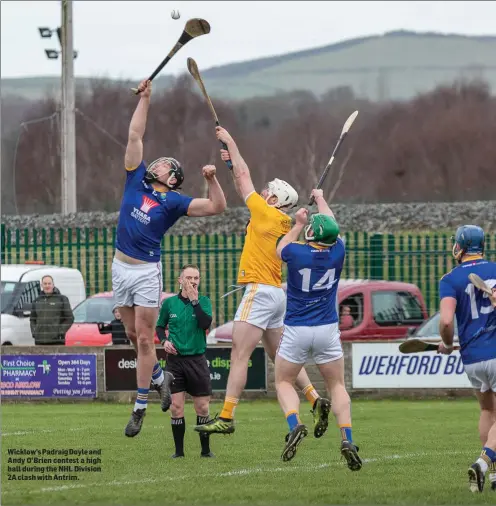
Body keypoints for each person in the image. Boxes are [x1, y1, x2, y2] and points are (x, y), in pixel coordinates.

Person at [113, 79, 227, 438]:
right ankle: (160, 378)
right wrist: (146, 98)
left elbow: (217, 206)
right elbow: (134, 135)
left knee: (146, 340)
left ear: (173, 178)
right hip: (119, 268)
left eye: (164, 166)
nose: (157, 165)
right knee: (131, 334)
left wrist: (211, 179)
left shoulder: (175, 202)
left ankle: (140, 407)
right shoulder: (135, 181)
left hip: (147, 271)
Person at [196, 126, 326, 438]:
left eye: (269, 191)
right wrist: (230, 161)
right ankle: (315, 399)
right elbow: (238, 173)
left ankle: (227, 415)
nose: (263, 192)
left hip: (259, 291)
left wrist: (231, 141)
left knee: (238, 355)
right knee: (279, 357)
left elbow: (243, 176)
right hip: (278, 296)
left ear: (276, 198)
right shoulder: (286, 223)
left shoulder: (266, 214)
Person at [273, 189, 362, 469]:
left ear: (311, 234)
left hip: (297, 328)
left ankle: (295, 423)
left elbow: (279, 249)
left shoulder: (297, 253)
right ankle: (346, 437)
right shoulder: (339, 251)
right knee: (336, 385)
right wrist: (320, 197)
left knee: (284, 382)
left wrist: (298, 223)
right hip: (327, 328)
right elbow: (331, 222)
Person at [438, 225, 496, 493]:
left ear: (460, 247)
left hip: (471, 358)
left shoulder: (449, 279)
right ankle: (484, 463)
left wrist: (448, 343)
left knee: (487, 410)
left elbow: (446, 321)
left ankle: (494, 475)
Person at [156, 265, 214, 459]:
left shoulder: (204, 301)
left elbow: (205, 324)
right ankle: (178, 453)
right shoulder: (169, 303)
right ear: (180, 280)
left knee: (203, 407)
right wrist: (164, 342)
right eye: (189, 277)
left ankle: (205, 451)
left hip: (197, 359)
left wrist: (195, 301)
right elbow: (159, 327)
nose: (193, 281)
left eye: (196, 277)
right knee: (176, 407)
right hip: (175, 362)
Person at [30, 275, 74, 345]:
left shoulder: (62, 299)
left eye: (49, 283)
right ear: (42, 285)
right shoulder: (37, 300)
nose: (47, 286)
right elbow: (32, 319)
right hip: (39, 341)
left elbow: (70, 318)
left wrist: (59, 332)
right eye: (45, 284)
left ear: (53, 285)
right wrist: (35, 332)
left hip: (56, 342)